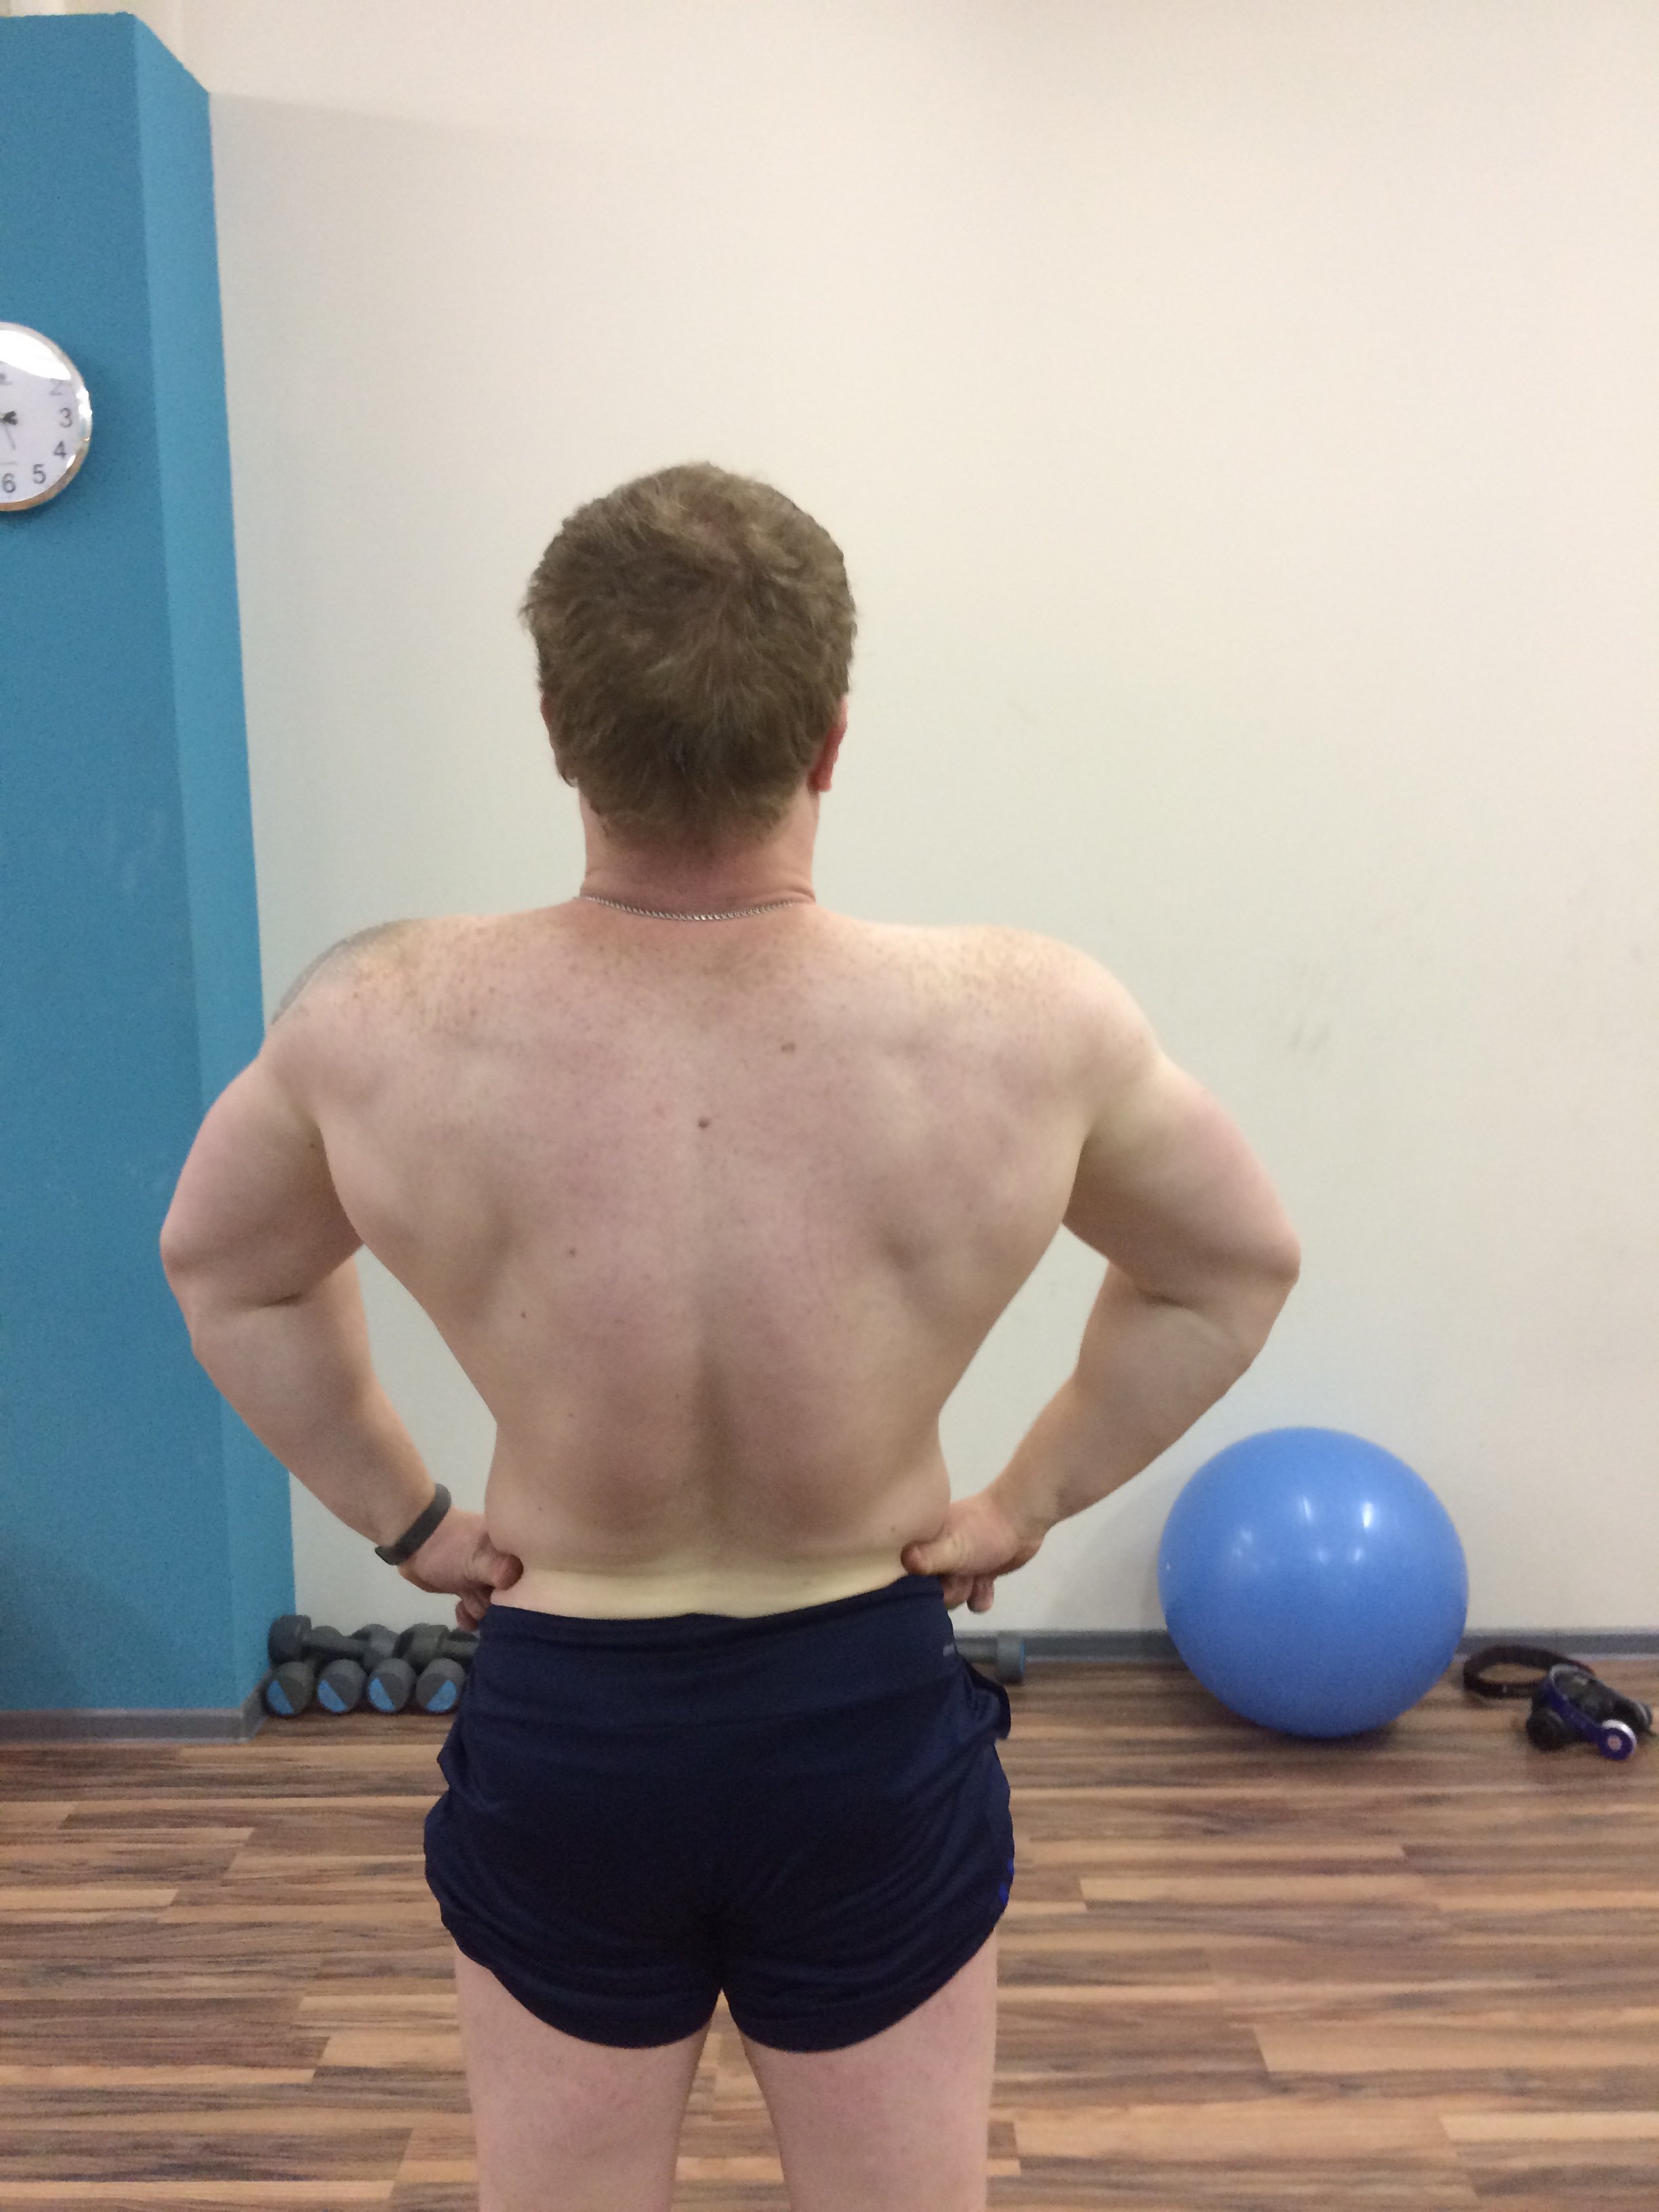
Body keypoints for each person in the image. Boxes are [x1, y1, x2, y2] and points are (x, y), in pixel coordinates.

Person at [159, 462, 1300, 2212]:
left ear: (559, 729)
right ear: (830, 739)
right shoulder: (1027, 1023)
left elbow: (228, 1272)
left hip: (570, 1722)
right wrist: (1022, 1504)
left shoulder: (377, 1020)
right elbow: (1229, 1269)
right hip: (860, 1716)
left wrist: (410, 1519)